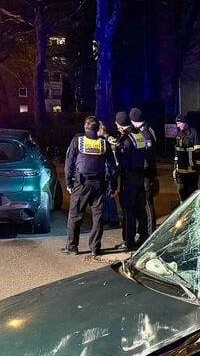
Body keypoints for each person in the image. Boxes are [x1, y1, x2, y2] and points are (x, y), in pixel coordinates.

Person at [62, 116, 118, 256]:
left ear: (85, 128)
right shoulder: (103, 144)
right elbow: (112, 167)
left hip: (81, 183)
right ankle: (95, 248)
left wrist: (68, 182)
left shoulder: (78, 141)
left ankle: (72, 247)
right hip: (99, 184)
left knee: (75, 215)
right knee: (97, 216)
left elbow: (69, 163)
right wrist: (113, 185)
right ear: (98, 129)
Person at [111, 109, 157, 250]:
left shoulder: (126, 140)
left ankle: (128, 241)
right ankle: (143, 237)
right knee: (140, 210)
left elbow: (121, 162)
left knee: (128, 211)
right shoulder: (139, 135)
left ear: (120, 125)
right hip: (139, 177)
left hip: (129, 178)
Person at [173, 114, 200, 201]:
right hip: (181, 171)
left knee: (192, 195)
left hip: (192, 171)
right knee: (182, 194)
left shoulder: (193, 133)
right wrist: (175, 167)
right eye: (177, 123)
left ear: (185, 123)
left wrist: (199, 167)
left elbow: (199, 152)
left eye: (179, 123)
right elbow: (177, 153)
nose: (178, 126)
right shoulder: (179, 135)